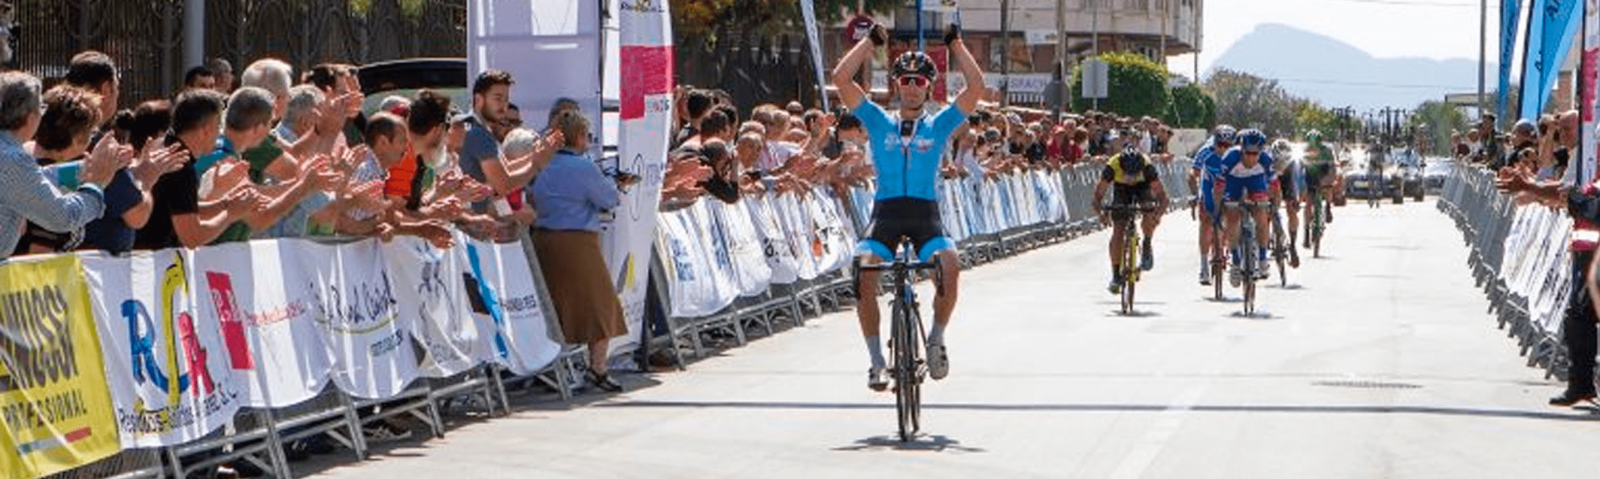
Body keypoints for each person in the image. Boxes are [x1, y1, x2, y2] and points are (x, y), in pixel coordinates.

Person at [831, 20, 983, 390]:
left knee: (950, 266)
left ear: (928, 87)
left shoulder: (940, 123)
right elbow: (840, 78)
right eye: (905, 80)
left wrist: (957, 44)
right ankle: (876, 361)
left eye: (919, 81)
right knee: (863, 271)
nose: (912, 86)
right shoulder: (878, 121)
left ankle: (935, 338)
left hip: (924, 215)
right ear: (896, 85)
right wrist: (870, 42)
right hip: (884, 213)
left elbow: (976, 88)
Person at [529, 109, 636, 393]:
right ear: (579, 136)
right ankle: (597, 367)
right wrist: (616, 183)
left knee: (554, 306)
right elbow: (608, 198)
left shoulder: (539, 164)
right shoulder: (583, 167)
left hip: (542, 240)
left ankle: (551, 367)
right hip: (577, 242)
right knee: (600, 306)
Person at [0, 72, 132, 259]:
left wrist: (87, 168)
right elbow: (63, 217)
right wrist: (95, 185)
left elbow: (37, 176)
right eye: (41, 108)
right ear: (31, 117)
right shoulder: (12, 158)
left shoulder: (10, 155)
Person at [1095, 143, 1168, 293]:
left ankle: (1147, 243)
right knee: (1118, 229)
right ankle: (1115, 275)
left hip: (1142, 187)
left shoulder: (1147, 167)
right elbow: (1097, 196)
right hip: (1121, 189)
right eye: (1129, 173)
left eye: (1135, 173)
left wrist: (1157, 215)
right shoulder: (1112, 165)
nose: (1131, 177)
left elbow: (1162, 197)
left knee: (1148, 210)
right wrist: (1101, 213)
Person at [1213, 128, 1275, 284]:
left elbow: (1275, 187)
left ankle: (1262, 258)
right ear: (1241, 150)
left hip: (1256, 181)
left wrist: (1273, 206)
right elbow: (1219, 187)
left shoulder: (1267, 160)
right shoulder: (1230, 157)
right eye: (1248, 153)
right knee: (1232, 218)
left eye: (1256, 154)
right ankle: (1235, 261)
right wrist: (1217, 210)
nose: (1252, 158)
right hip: (1233, 182)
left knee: (1261, 213)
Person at [1189, 125, 1235, 285]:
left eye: (1228, 146)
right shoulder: (1205, 151)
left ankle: (1230, 249)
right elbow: (1193, 174)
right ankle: (1203, 266)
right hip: (1209, 186)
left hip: (1229, 186)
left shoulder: (1237, 153)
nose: (1224, 149)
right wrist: (1195, 194)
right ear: (1214, 142)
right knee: (1206, 221)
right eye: (1220, 144)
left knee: (1233, 218)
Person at [1302, 129, 1337, 240]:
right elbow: (1298, 169)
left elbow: (1332, 170)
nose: (1313, 149)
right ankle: (1307, 231)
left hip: (1323, 173)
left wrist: (1328, 181)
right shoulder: (1303, 151)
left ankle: (1327, 206)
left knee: (1328, 188)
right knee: (1308, 203)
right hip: (1309, 175)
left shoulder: (1327, 151)